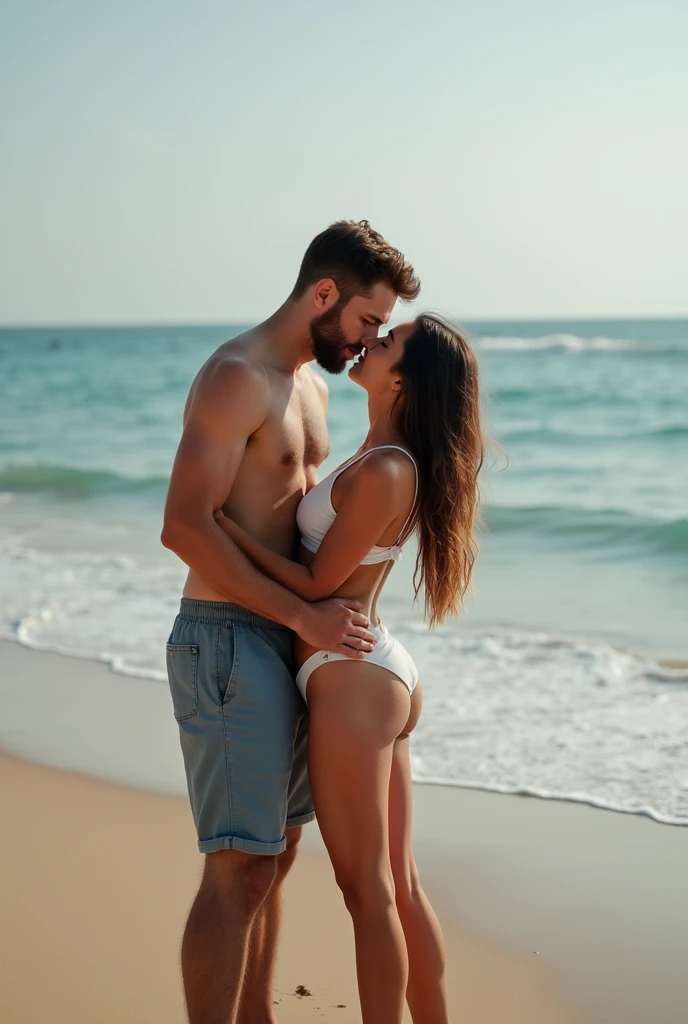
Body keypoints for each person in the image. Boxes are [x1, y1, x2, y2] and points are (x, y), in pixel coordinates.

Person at [161, 219, 420, 1024]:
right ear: (324, 294)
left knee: (277, 858)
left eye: (382, 329)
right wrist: (302, 612)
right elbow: (184, 524)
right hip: (229, 636)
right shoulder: (238, 376)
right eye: (368, 321)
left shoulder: (311, 385)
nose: (371, 337)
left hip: (287, 640)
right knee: (237, 869)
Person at [214, 313, 485, 1024]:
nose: (370, 342)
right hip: (366, 670)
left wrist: (226, 532)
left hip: (351, 677)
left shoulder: (389, 467)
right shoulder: (375, 452)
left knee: (367, 891)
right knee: (397, 884)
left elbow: (316, 585)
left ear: (402, 379)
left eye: (387, 341)